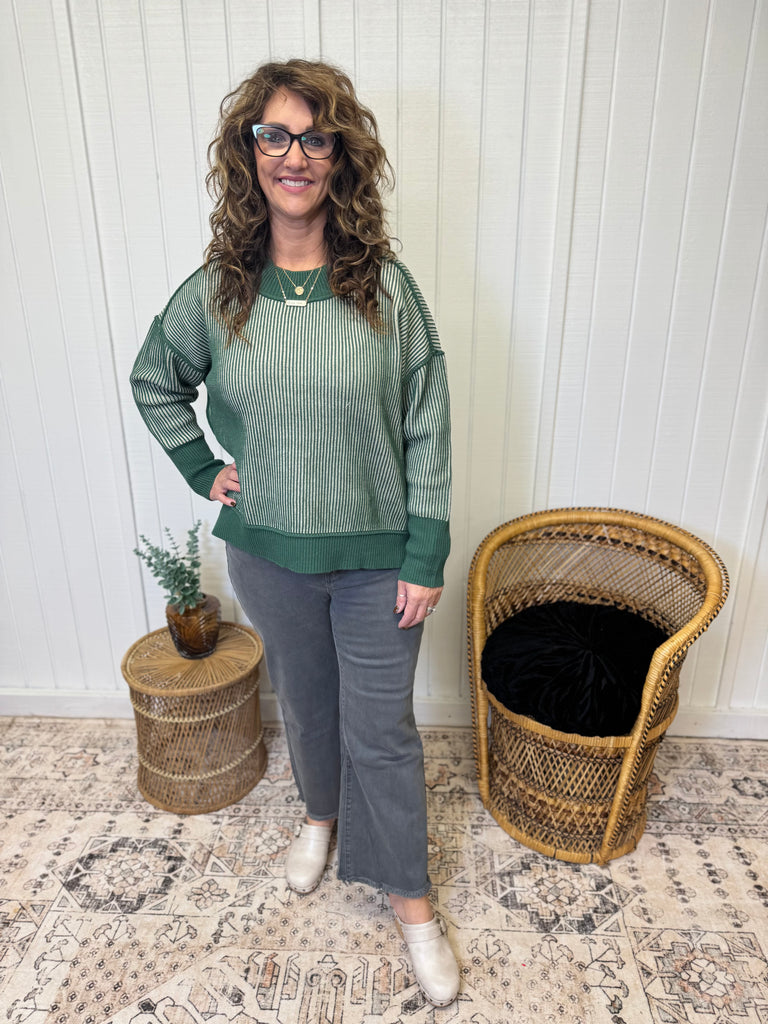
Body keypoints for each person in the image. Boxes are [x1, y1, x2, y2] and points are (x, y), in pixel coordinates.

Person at [130, 59, 457, 1006]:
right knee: (308, 708)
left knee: (382, 731)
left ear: (340, 159)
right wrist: (204, 470)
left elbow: (428, 419)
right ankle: (320, 818)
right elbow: (156, 379)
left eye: (315, 139)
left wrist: (426, 551)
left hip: (379, 559)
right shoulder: (218, 292)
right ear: (250, 155)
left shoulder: (385, 289)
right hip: (268, 553)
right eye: (273, 136)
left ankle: (412, 905)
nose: (294, 156)